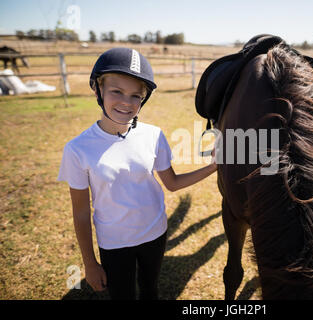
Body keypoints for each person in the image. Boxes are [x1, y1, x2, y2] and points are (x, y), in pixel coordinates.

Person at [57, 47, 217, 300]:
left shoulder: (153, 135)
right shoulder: (77, 149)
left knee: (150, 289)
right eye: (116, 92)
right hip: (114, 242)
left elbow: (172, 183)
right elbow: (80, 211)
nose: (126, 102)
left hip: (156, 233)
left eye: (136, 96)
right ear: (98, 90)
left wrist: (214, 166)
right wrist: (89, 262)